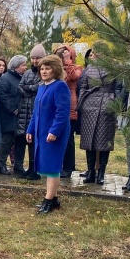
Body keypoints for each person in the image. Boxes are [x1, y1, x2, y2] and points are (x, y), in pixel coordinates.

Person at [26, 55, 71, 213]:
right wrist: (30, 129)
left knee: (52, 166)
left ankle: (48, 200)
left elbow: (63, 112)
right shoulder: (42, 86)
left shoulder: (60, 86)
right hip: (41, 131)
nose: (44, 71)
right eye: (42, 68)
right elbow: (35, 113)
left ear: (55, 69)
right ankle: (54, 199)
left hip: (54, 133)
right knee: (46, 164)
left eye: (48, 68)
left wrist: (54, 131)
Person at [78, 42, 124, 185]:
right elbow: (83, 86)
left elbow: (118, 88)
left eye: (95, 52)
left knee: (104, 140)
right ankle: (91, 171)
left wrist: (115, 104)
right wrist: (83, 102)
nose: (92, 55)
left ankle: (101, 172)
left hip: (106, 105)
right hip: (90, 105)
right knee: (88, 139)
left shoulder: (115, 68)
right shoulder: (89, 69)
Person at [15, 44, 45, 180]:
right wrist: (29, 89)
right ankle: (26, 167)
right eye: (32, 58)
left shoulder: (44, 72)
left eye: (37, 58)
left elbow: (39, 87)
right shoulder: (27, 73)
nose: (34, 61)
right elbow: (20, 87)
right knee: (25, 140)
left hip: (35, 110)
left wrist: (28, 89)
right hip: (24, 113)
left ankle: (35, 169)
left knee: (34, 142)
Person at [0, 55, 28, 174]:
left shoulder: (23, 78)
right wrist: (14, 109)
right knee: (7, 141)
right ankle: (1, 165)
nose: (25, 67)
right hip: (9, 115)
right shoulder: (5, 78)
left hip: (21, 115)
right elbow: (2, 96)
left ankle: (18, 165)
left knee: (21, 141)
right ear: (16, 66)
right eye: (23, 65)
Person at [55, 45, 83, 178]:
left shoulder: (76, 68)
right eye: (60, 58)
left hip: (69, 107)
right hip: (55, 105)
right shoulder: (55, 69)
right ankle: (56, 165)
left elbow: (73, 77)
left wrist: (68, 62)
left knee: (68, 139)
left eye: (64, 57)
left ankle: (68, 167)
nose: (61, 60)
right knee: (55, 137)